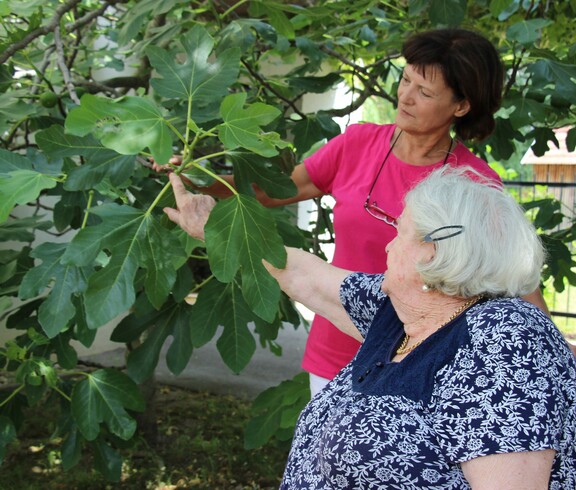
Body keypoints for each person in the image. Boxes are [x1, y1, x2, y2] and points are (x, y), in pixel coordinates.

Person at [156, 28, 554, 396]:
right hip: (334, 351)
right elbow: (270, 191)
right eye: (405, 81)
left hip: (419, 364)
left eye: (425, 92)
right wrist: (198, 183)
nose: (405, 96)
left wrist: (554, 361)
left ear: (462, 105)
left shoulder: (476, 187)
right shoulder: (358, 143)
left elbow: (516, 283)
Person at [163, 167, 576, 489]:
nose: (388, 245)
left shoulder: (505, 338)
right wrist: (216, 229)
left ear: (434, 252)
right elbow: (304, 275)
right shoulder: (400, 312)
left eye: (400, 232)